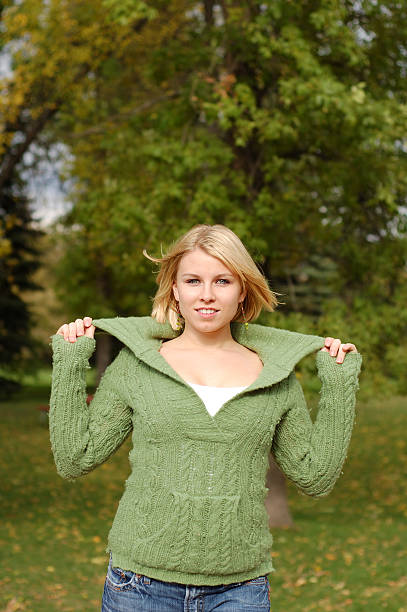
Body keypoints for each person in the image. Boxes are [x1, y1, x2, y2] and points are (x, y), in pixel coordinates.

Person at [50, 224, 361, 612]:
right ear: (175, 290)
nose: (207, 295)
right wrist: (69, 361)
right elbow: (75, 458)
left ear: (242, 289)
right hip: (140, 585)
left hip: (241, 590)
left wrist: (339, 383)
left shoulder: (275, 374)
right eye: (193, 280)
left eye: (223, 280)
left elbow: (315, 477)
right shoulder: (137, 366)